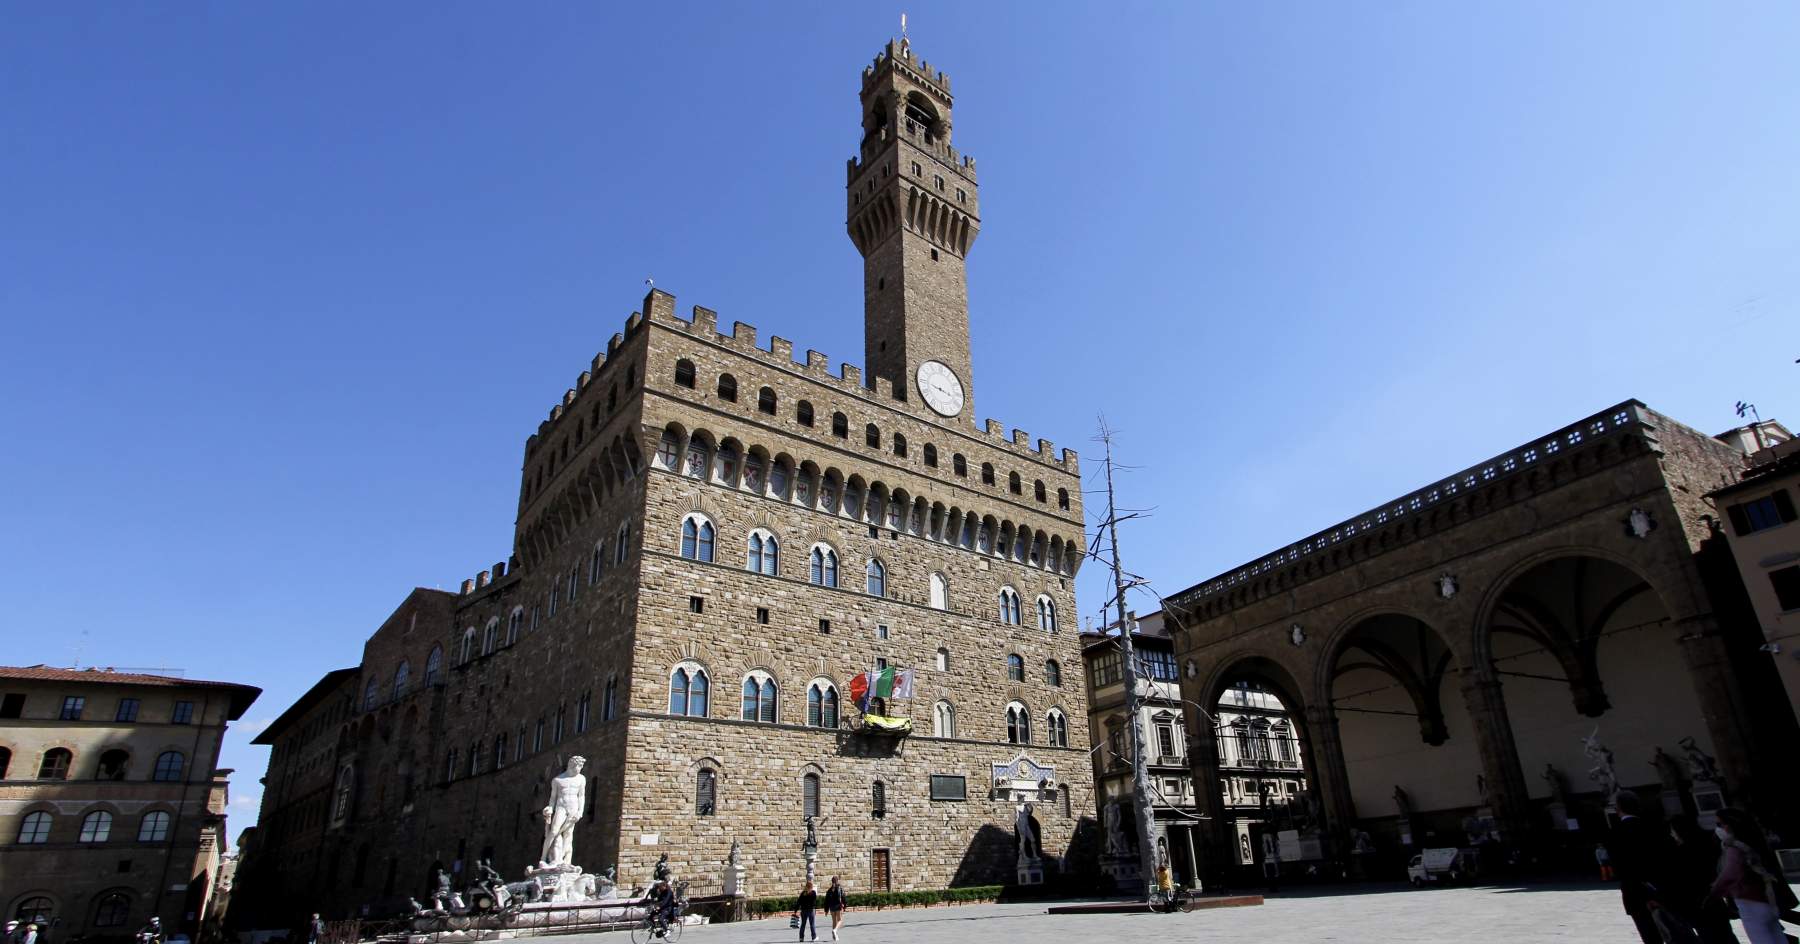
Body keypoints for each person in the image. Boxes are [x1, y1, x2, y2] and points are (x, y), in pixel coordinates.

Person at [1709, 808, 1799, 944]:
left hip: (1750, 901)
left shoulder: (1735, 848)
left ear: (1730, 825)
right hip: (1768, 900)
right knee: (1776, 935)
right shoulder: (1755, 841)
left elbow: (1730, 874)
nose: (1717, 828)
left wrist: (1714, 892)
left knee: (1763, 938)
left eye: (1719, 824)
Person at [1609, 790, 1677, 944]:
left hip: (1636, 894)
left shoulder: (1615, 833)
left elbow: (1621, 869)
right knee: (1676, 933)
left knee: (1650, 936)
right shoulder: (1655, 826)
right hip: (1664, 889)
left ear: (1618, 808)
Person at [1666, 815, 1737, 944]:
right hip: (1715, 897)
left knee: (1709, 936)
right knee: (1726, 935)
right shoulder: (1709, 843)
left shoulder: (1680, 852)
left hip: (1697, 903)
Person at [822, 877, 846, 941]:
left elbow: (826, 901)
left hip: (831, 907)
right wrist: (845, 906)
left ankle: (834, 936)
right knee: (840, 920)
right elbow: (844, 897)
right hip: (838, 906)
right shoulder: (840, 888)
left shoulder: (829, 890)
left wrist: (826, 910)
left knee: (834, 921)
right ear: (837, 881)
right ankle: (835, 930)